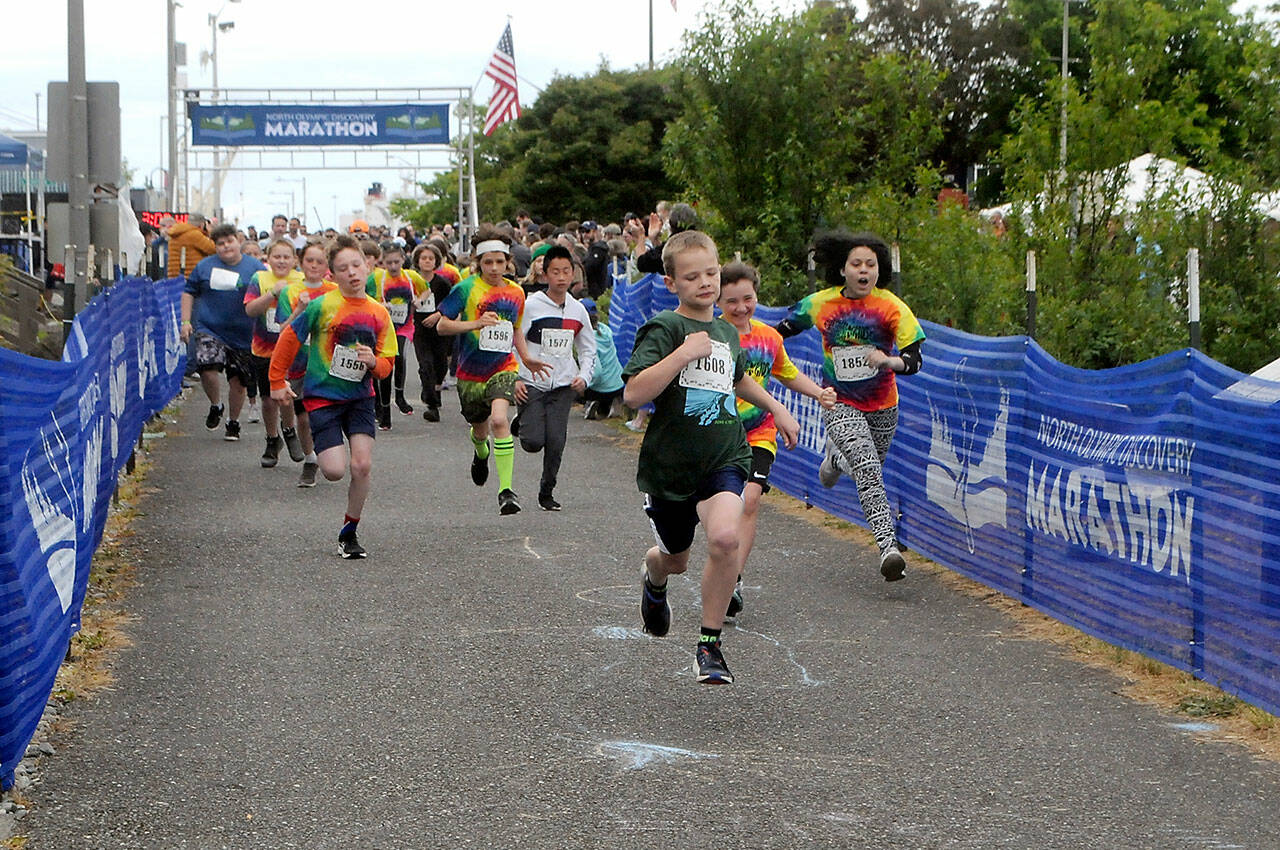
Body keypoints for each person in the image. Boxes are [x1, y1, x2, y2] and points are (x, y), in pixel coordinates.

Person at [622, 230, 800, 685]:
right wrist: (681, 354)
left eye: (711, 273)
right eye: (692, 276)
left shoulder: (725, 331)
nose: (705, 283)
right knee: (675, 559)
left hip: (725, 455)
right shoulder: (665, 328)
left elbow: (738, 380)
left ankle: (709, 646)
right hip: (671, 468)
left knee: (724, 540)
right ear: (671, 283)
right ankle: (654, 577)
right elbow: (634, 393)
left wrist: (777, 407)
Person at [776, 230, 925, 582]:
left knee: (869, 467)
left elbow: (915, 360)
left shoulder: (891, 307)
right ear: (842, 269)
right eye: (856, 264)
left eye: (870, 265)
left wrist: (889, 362)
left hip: (884, 406)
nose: (864, 271)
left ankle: (834, 461)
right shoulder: (819, 303)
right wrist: (747, 339)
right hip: (839, 402)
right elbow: (779, 332)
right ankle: (889, 549)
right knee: (869, 468)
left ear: (879, 270)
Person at [717, 261, 835, 617]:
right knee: (723, 507)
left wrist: (818, 393)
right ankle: (721, 565)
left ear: (757, 295)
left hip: (759, 432)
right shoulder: (712, 336)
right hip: (718, 432)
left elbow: (787, 374)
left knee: (750, 501)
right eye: (731, 301)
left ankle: (733, 578)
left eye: (747, 299)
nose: (740, 308)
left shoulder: (769, 337)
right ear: (717, 301)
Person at [269, 234, 397, 559]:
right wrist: (275, 380)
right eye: (343, 268)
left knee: (362, 465)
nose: (352, 272)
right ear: (333, 274)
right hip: (323, 398)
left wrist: (374, 363)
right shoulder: (321, 306)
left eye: (357, 265)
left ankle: (349, 532)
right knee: (334, 471)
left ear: (368, 266)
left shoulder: (379, 313)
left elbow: (386, 367)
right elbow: (288, 338)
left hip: (359, 398)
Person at [436, 228, 550, 515]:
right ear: (478, 262)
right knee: (480, 428)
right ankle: (480, 450)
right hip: (470, 372)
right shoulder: (466, 288)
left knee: (500, 421)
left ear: (508, 262)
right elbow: (442, 326)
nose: (495, 268)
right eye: (488, 262)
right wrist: (474, 324)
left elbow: (515, 330)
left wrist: (527, 358)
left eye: (500, 262)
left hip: (503, 367)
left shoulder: (516, 291)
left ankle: (507, 491)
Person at [513, 245, 597, 511]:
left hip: (563, 385)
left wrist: (584, 376)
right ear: (544, 274)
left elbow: (588, 348)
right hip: (533, 381)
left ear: (573, 274)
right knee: (533, 442)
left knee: (556, 442)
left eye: (566, 271)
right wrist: (516, 376)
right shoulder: (531, 306)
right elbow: (515, 342)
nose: (561, 277)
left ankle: (546, 492)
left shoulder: (578, 310)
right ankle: (523, 421)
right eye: (555, 272)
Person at [180, 223, 266, 441]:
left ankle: (233, 422)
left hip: (244, 333)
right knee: (207, 367)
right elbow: (188, 292)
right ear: (215, 247)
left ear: (238, 241)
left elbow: (268, 296)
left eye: (229, 241)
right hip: (210, 328)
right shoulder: (204, 267)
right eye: (220, 243)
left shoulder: (255, 268)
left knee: (238, 382)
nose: (226, 246)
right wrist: (186, 321)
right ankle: (216, 404)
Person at [276, 241, 339, 487]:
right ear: (301, 262)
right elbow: (281, 330)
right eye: (309, 261)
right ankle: (310, 459)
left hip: (329, 364)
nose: (314, 265)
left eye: (319, 261)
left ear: (328, 265)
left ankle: (330, 453)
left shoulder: (335, 290)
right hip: (299, 362)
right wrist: (299, 310)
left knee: (327, 414)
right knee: (303, 417)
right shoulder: (289, 292)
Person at [243, 238, 306, 467]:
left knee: (287, 396)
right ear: (267, 259)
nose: (281, 261)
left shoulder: (301, 280)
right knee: (268, 400)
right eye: (276, 257)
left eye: (286, 257)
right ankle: (272, 438)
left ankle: (289, 431)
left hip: (293, 350)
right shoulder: (259, 279)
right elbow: (250, 310)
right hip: (264, 348)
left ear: (294, 260)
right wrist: (271, 294)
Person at [366, 241, 427, 428]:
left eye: (396, 262)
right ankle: (383, 409)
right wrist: (378, 305)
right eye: (389, 263)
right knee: (384, 367)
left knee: (399, 357)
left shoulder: (411, 277)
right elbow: (363, 296)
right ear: (382, 262)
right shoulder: (376, 279)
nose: (393, 266)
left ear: (403, 260)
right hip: (382, 328)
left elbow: (426, 290)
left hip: (404, 326)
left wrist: (419, 300)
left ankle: (399, 395)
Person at [410, 242, 453, 422]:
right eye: (423, 258)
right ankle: (432, 405)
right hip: (419, 329)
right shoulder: (411, 282)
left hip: (439, 330)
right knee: (426, 365)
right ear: (417, 261)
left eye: (431, 258)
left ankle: (434, 390)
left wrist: (437, 315)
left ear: (436, 261)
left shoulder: (442, 283)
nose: (427, 261)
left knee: (441, 365)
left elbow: (451, 305)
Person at [580, 298, 623, 420]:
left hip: (600, 388)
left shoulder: (588, 339)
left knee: (583, 384)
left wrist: (585, 383)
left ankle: (591, 403)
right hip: (618, 383)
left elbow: (596, 371)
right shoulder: (605, 330)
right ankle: (614, 404)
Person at [167, 213, 215, 278]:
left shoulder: (176, 234)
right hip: (190, 276)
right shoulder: (194, 234)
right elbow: (213, 249)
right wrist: (210, 232)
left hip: (175, 275)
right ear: (202, 224)